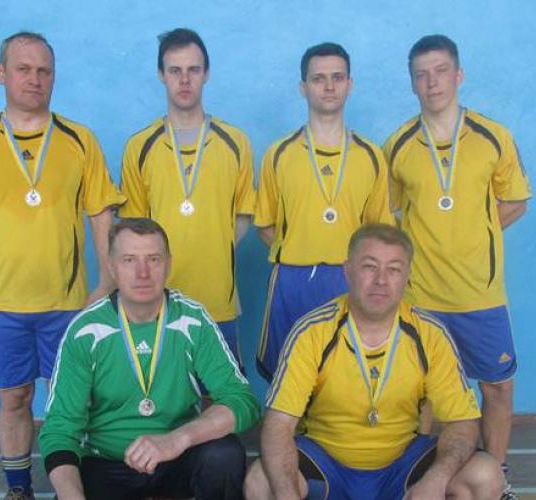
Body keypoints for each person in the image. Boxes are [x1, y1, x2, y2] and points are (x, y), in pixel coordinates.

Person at [0, 31, 125, 500]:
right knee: (13, 397)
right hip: (2, 301)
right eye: (23, 69)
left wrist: (108, 281)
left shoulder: (80, 140)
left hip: (67, 303)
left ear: (54, 77)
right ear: (1, 73)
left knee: (74, 402)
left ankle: (75, 487)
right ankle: (18, 488)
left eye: (44, 70)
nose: (34, 79)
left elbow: (101, 214)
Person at [244, 224, 504, 500]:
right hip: (326, 463)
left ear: (407, 277)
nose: (381, 280)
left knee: (484, 475)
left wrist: (436, 481)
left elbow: (462, 423)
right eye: (370, 267)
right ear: (348, 271)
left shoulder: (431, 335)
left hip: (402, 467)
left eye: (394, 269)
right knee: (262, 481)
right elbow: (279, 424)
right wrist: (286, 494)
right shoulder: (312, 332)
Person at [382, 35, 532, 498]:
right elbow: (387, 215)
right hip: (421, 295)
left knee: (497, 388)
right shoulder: (398, 145)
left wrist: (472, 234)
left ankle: (498, 477)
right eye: (422, 74)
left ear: (459, 75)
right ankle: (416, 479)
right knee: (423, 395)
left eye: (441, 71)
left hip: (479, 294)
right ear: (412, 83)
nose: (433, 82)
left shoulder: (493, 136)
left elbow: (515, 201)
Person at [40, 218, 260, 499]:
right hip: (106, 463)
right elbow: (59, 431)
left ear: (168, 264)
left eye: (153, 259)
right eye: (129, 260)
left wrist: (176, 440)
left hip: (175, 459)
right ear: (111, 267)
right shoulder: (86, 331)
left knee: (223, 455)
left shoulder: (192, 320)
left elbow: (242, 401)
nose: (142, 272)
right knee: (72, 484)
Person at [254, 42, 393, 382]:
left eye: (337, 77)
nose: (329, 86)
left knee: (347, 376)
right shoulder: (279, 154)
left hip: (349, 279)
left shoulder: (371, 156)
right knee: (287, 375)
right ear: (303, 87)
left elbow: (380, 233)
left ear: (350, 84)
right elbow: (265, 225)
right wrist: (302, 252)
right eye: (318, 79)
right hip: (292, 280)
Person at [119, 28, 256, 367]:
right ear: (161, 75)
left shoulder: (235, 142)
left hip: (218, 301)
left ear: (206, 74)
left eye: (193, 70)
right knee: (161, 392)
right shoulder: (139, 147)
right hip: (160, 302)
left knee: (221, 394)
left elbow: (244, 215)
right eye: (175, 70)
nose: (184, 80)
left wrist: (212, 246)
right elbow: (134, 228)